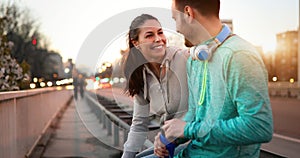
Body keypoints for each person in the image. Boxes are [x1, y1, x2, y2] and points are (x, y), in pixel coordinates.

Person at [153, 0, 274, 157]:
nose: (176, 28)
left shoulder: (238, 55)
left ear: (188, 13)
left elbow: (259, 127)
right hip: (192, 152)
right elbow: (196, 114)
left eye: (175, 18)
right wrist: (170, 136)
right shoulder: (196, 58)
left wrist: (187, 129)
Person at [121, 14, 189, 158]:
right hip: (169, 144)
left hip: (193, 140)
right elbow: (139, 123)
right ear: (136, 43)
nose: (158, 39)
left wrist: (166, 139)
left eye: (160, 32)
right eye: (149, 35)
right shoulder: (140, 75)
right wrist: (127, 154)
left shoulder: (185, 58)